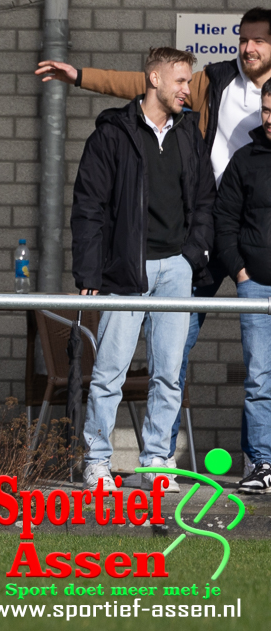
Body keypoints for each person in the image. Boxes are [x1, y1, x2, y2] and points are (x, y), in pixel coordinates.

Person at [38, 8, 271, 458]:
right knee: (148, 362)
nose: (249, 48)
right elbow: (138, 85)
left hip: (217, 239)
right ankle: (107, 459)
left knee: (244, 368)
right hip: (177, 249)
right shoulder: (215, 81)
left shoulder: (185, 132)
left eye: (258, 40)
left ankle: (209, 461)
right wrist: (81, 75)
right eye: (244, 39)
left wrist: (190, 250)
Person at [71, 47, 215, 492]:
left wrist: (192, 256)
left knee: (169, 373)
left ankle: (157, 462)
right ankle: (96, 460)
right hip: (124, 272)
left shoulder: (189, 134)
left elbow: (206, 200)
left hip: (176, 270)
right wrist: (89, 276)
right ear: (154, 79)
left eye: (187, 82)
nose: (187, 90)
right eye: (180, 81)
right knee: (109, 372)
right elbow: (88, 208)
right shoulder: (112, 134)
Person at [212, 79, 271, 493]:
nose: (270, 119)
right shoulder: (245, 160)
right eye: (267, 110)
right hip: (257, 287)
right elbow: (224, 222)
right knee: (259, 380)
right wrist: (241, 273)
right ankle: (263, 465)